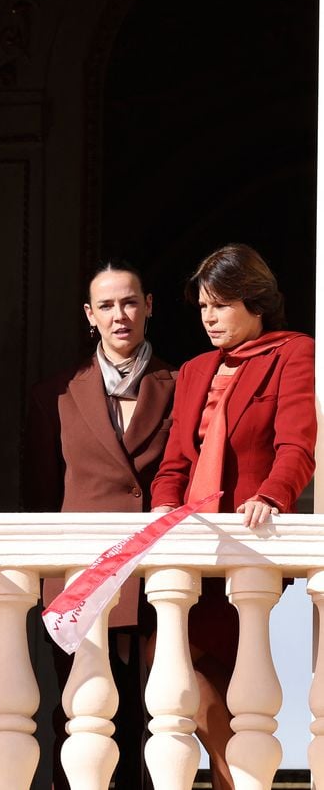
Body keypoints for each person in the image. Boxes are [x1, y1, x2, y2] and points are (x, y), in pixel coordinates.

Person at [148, 242, 317, 790]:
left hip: (246, 542)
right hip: (189, 544)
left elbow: (297, 445)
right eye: (202, 308)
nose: (209, 318)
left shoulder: (294, 352)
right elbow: (174, 461)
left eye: (220, 305)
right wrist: (162, 513)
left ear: (255, 301)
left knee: (229, 672)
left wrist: (271, 494)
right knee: (174, 664)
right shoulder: (196, 369)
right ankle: (238, 781)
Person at [23, 258, 177, 790]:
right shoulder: (57, 393)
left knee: (150, 719)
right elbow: (43, 496)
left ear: (149, 306)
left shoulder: (181, 384)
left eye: (130, 301)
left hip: (156, 577)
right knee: (79, 717)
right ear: (90, 314)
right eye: (107, 305)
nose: (120, 315)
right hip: (80, 580)